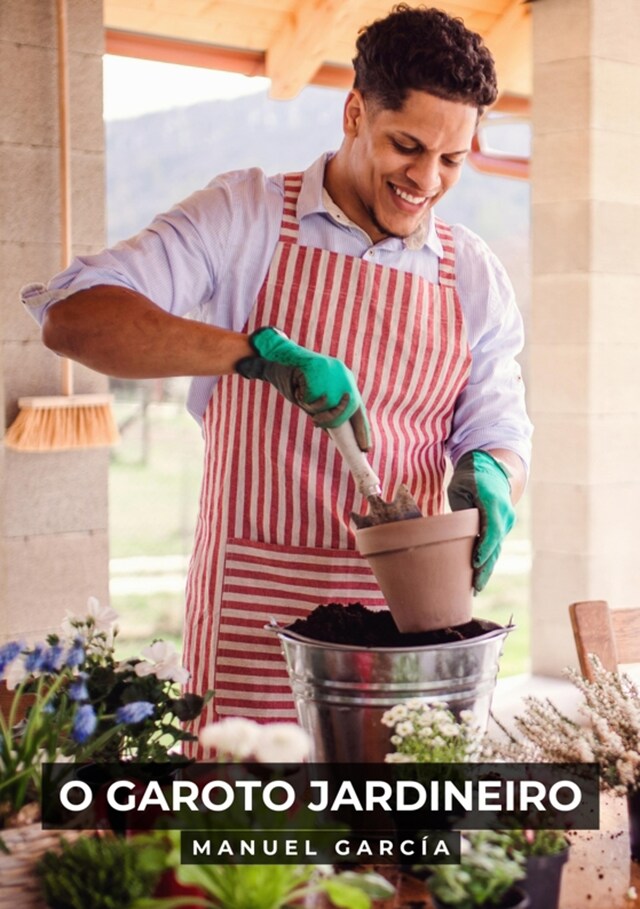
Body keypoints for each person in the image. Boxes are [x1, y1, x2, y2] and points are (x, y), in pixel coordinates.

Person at [21, 4, 532, 750]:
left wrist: (494, 470)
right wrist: (251, 354)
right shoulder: (247, 218)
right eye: (406, 145)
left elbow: (501, 426)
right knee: (253, 855)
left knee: (399, 854)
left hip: (410, 641)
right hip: (254, 632)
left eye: (452, 159)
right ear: (355, 111)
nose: (426, 178)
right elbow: (74, 317)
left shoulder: (474, 275)